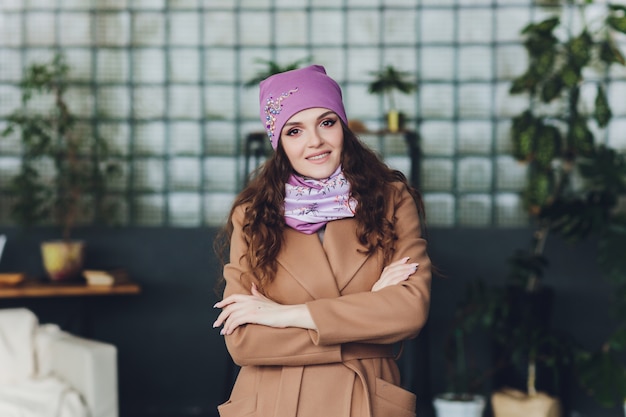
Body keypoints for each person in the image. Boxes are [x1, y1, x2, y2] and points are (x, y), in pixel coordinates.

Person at [213, 65, 431, 417]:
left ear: (343, 127)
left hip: (365, 401)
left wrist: (285, 316)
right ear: (279, 142)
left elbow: (409, 312)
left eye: (326, 122)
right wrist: (369, 311)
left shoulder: (392, 200)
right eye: (295, 130)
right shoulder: (252, 215)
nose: (315, 141)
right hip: (275, 403)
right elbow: (245, 343)